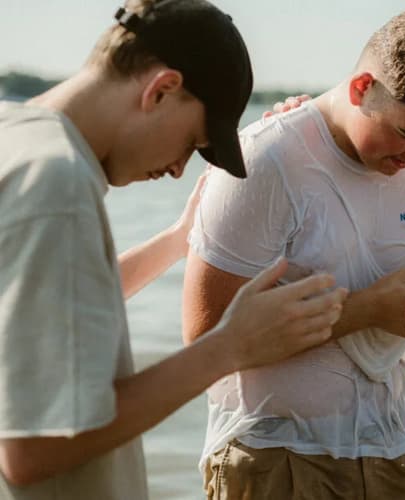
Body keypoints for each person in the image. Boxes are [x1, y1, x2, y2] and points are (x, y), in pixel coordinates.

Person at [0, 1, 346, 498]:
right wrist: (228, 346)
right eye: (192, 143)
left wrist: (176, 241)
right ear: (162, 89)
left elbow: (44, 307)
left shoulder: (16, 140)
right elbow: (34, 449)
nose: (180, 169)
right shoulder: (58, 184)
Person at [181, 6, 405, 499]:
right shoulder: (267, 158)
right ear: (363, 87)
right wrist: (365, 310)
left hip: (389, 454)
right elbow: (205, 336)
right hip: (271, 454)